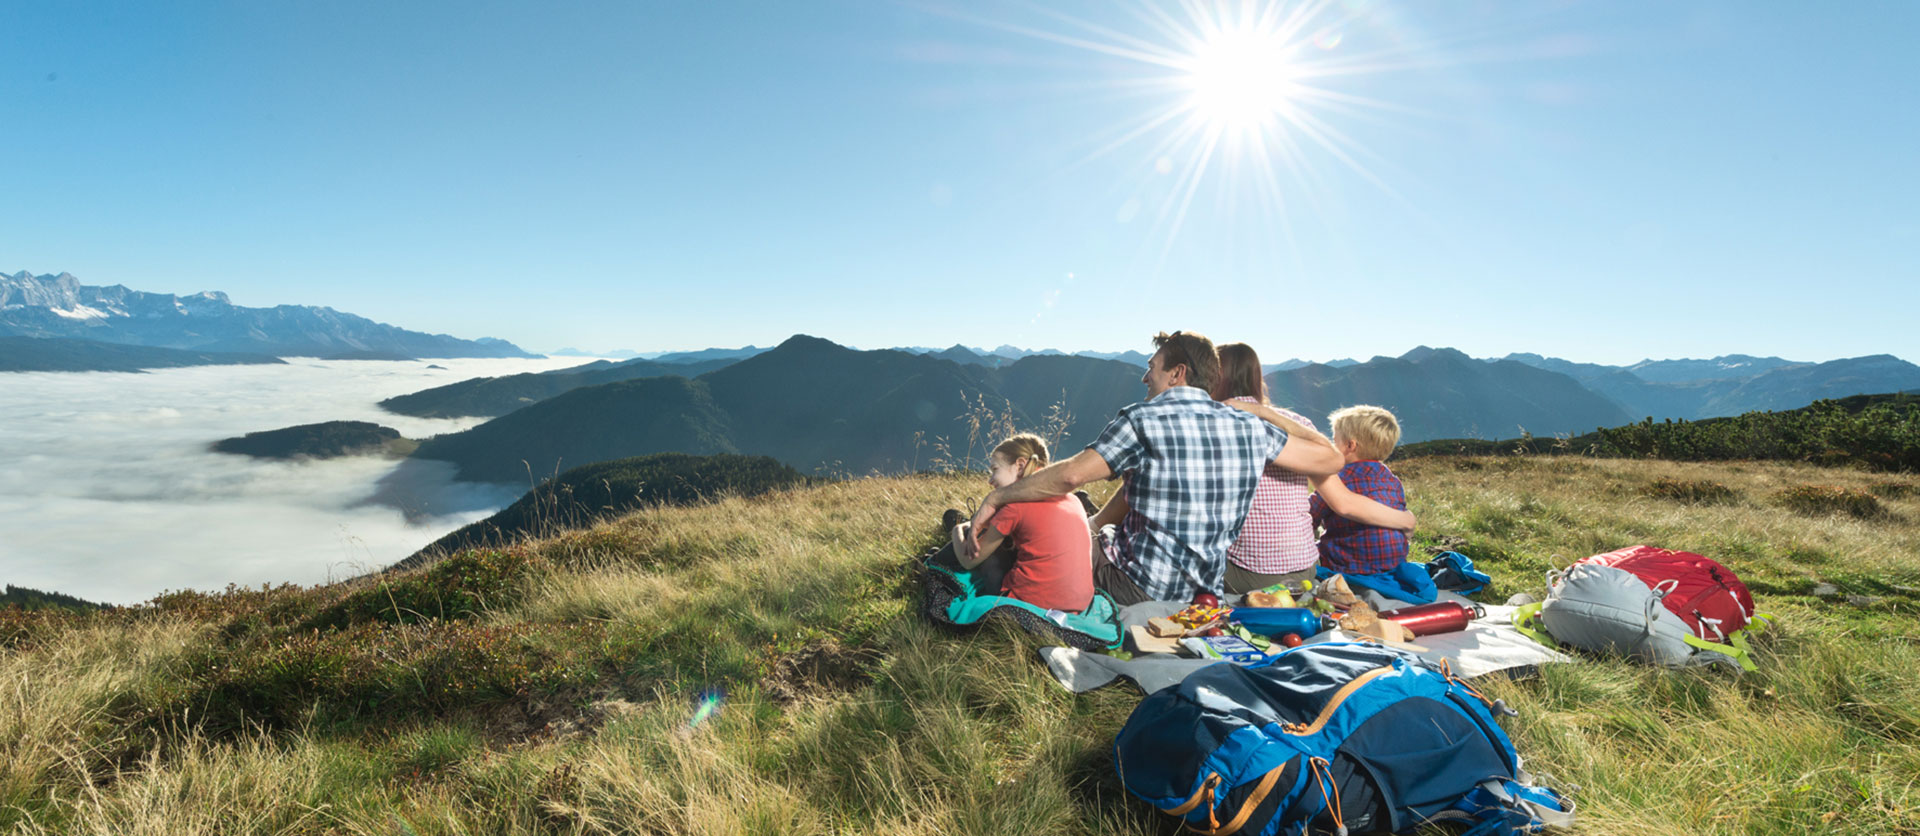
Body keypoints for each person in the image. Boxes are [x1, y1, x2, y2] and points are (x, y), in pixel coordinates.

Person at [967, 331, 1343, 605]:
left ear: (1177, 373)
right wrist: (1265, 413)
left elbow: (1069, 476)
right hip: (1203, 594)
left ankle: (976, 554)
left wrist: (1000, 494)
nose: (1146, 377)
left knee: (1047, 525)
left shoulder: (1142, 419)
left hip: (1134, 584)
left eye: (1152, 368)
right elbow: (1331, 458)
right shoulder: (1253, 428)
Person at [1208, 343, 1417, 594]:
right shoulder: (1299, 423)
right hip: (1306, 568)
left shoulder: (1212, 422)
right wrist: (1405, 519)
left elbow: (1341, 504)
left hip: (1252, 573)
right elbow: (1343, 502)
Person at [939, 434, 1094, 612]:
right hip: (1079, 604)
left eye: (995, 469)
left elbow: (969, 561)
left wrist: (958, 530)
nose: (990, 480)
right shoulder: (1073, 499)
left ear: (1020, 465)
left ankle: (930, 564)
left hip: (1027, 606)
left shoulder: (1014, 507)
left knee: (982, 548)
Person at [1309, 405, 1434, 604]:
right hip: (1392, 564)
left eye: (1335, 439)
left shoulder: (1338, 479)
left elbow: (1309, 516)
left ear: (1350, 446)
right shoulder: (1392, 480)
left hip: (1347, 566)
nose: (1333, 444)